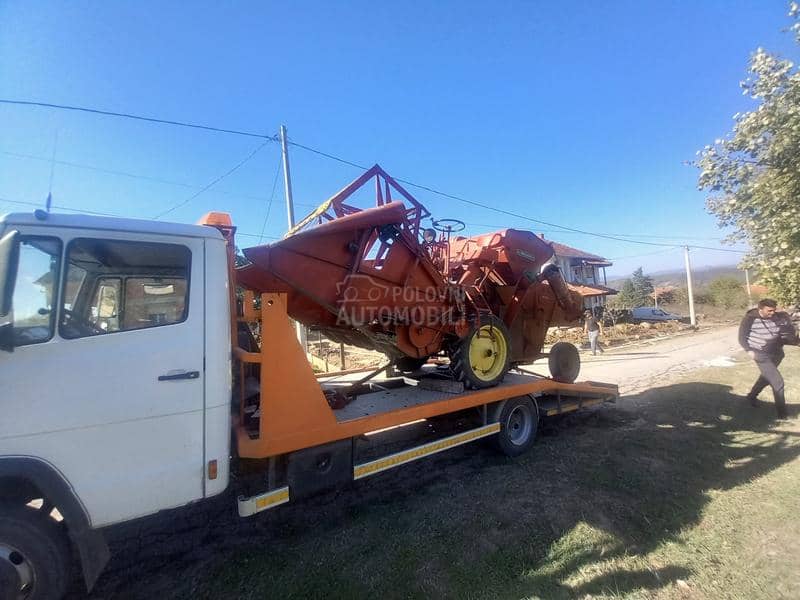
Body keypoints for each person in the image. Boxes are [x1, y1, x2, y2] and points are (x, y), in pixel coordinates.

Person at [738, 298, 800, 418]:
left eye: (774, 310)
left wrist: (795, 342)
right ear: (760, 309)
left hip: (776, 353)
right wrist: (749, 350)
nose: (772, 313)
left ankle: (751, 396)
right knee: (778, 382)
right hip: (760, 354)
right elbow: (741, 337)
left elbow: (782, 335)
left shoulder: (777, 317)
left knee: (766, 377)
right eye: (769, 311)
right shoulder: (750, 319)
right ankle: (783, 414)